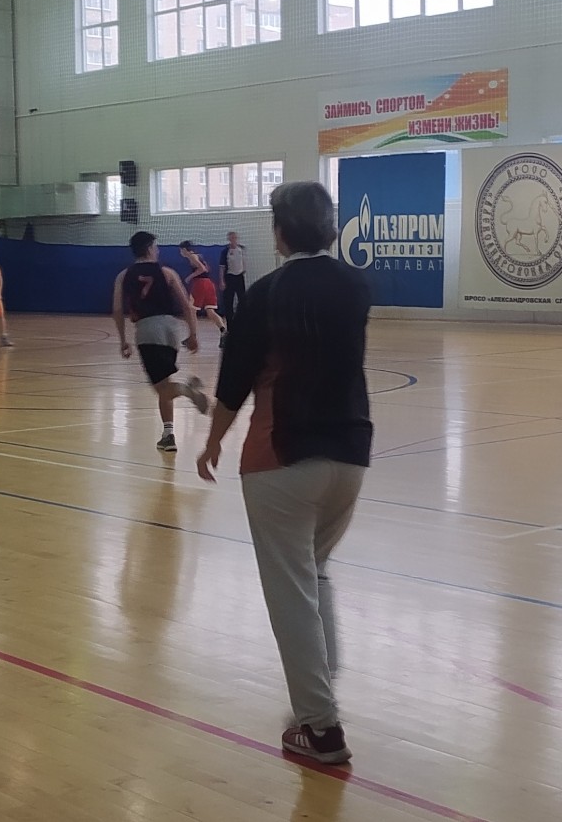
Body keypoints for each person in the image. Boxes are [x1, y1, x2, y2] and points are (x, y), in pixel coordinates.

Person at [196, 182, 372, 767]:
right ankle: (321, 687)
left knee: (291, 591)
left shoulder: (266, 294)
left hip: (282, 458)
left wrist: (213, 442)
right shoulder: (355, 286)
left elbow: (234, 381)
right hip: (350, 456)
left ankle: (320, 728)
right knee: (313, 573)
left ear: (279, 232)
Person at [111, 231, 209, 453]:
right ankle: (168, 435)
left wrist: (123, 340)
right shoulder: (167, 272)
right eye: (155, 247)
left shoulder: (123, 276)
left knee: (162, 388)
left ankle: (187, 390)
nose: (158, 250)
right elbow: (186, 306)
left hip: (147, 329)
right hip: (171, 327)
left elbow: (117, 310)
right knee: (164, 383)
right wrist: (193, 334)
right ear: (148, 248)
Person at [178, 240, 227, 342]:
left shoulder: (192, 256)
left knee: (192, 310)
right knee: (210, 311)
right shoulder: (199, 256)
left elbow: (203, 269)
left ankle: (193, 336)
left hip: (200, 284)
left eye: (181, 250)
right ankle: (223, 330)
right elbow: (207, 269)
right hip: (209, 284)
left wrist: (190, 277)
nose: (180, 252)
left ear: (184, 249)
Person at [219, 230, 249, 326]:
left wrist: (243, 270)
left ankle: (243, 322)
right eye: (232, 238)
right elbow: (222, 267)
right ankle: (230, 325)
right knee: (228, 302)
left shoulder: (241, 249)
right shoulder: (225, 251)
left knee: (242, 300)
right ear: (229, 239)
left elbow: (243, 262)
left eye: (235, 238)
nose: (234, 240)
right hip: (229, 277)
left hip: (239, 277)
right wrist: (222, 281)